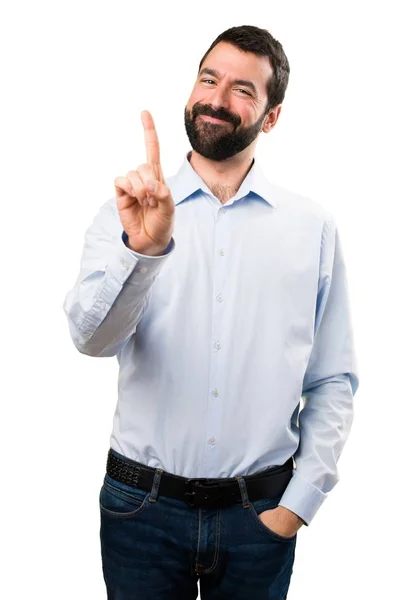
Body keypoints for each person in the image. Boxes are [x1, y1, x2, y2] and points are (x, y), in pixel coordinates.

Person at [63, 24, 359, 600]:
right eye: (208, 79)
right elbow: (90, 340)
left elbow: (333, 378)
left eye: (243, 90)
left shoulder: (311, 228)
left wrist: (298, 505)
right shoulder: (125, 215)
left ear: (271, 116)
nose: (218, 99)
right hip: (140, 511)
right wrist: (141, 253)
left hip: (261, 515)